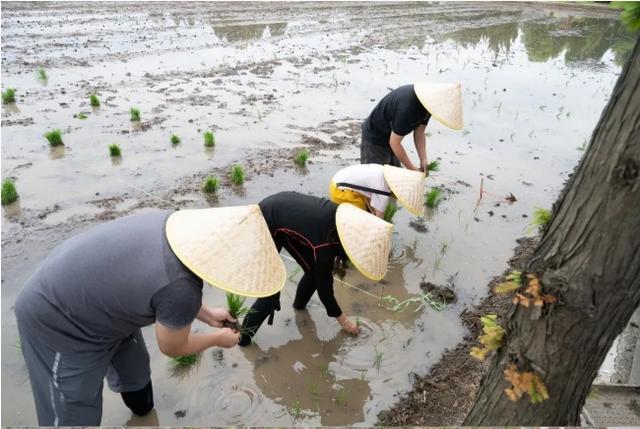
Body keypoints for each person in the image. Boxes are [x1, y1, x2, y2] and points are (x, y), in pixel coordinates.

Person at [15, 206, 286, 426]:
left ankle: (143, 417)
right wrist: (217, 338)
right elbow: (172, 346)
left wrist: (207, 314)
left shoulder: (176, 229)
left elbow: (168, 289)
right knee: (74, 411)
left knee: (135, 373)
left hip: (103, 303)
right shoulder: (182, 289)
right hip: (56, 318)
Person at [239, 192, 393, 345]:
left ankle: (298, 309)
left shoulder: (344, 222)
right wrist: (343, 320)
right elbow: (324, 288)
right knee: (270, 295)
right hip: (267, 220)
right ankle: (241, 341)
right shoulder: (327, 243)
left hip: (282, 210)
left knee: (313, 272)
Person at [360, 82, 463, 171]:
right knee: (375, 181)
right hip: (375, 138)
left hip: (391, 136)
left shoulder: (428, 105)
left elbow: (419, 133)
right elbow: (395, 143)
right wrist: (412, 169)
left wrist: (423, 159)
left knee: (394, 179)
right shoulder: (408, 108)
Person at [329, 163, 426, 218]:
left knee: (368, 214)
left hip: (339, 179)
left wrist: (372, 211)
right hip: (340, 190)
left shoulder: (385, 172)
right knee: (359, 221)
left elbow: (365, 189)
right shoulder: (383, 190)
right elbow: (379, 221)